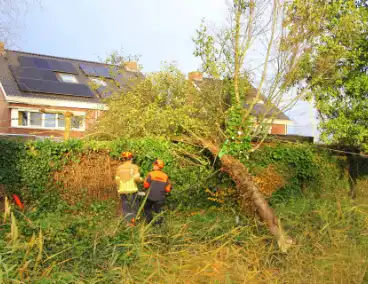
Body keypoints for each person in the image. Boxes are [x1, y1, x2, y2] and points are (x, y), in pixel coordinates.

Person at [115, 152, 143, 226]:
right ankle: (134, 223)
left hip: (123, 191)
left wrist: (118, 190)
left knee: (126, 207)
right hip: (132, 190)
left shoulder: (119, 168)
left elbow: (117, 180)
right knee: (134, 206)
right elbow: (136, 178)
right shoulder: (134, 167)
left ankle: (128, 224)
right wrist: (141, 180)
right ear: (131, 158)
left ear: (123, 159)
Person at [143, 159, 171, 225]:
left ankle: (149, 223)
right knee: (158, 211)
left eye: (154, 165)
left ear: (157, 166)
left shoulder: (151, 174)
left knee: (147, 208)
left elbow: (146, 185)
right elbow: (168, 189)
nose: (153, 166)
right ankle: (159, 225)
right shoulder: (165, 176)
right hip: (160, 198)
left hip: (150, 197)